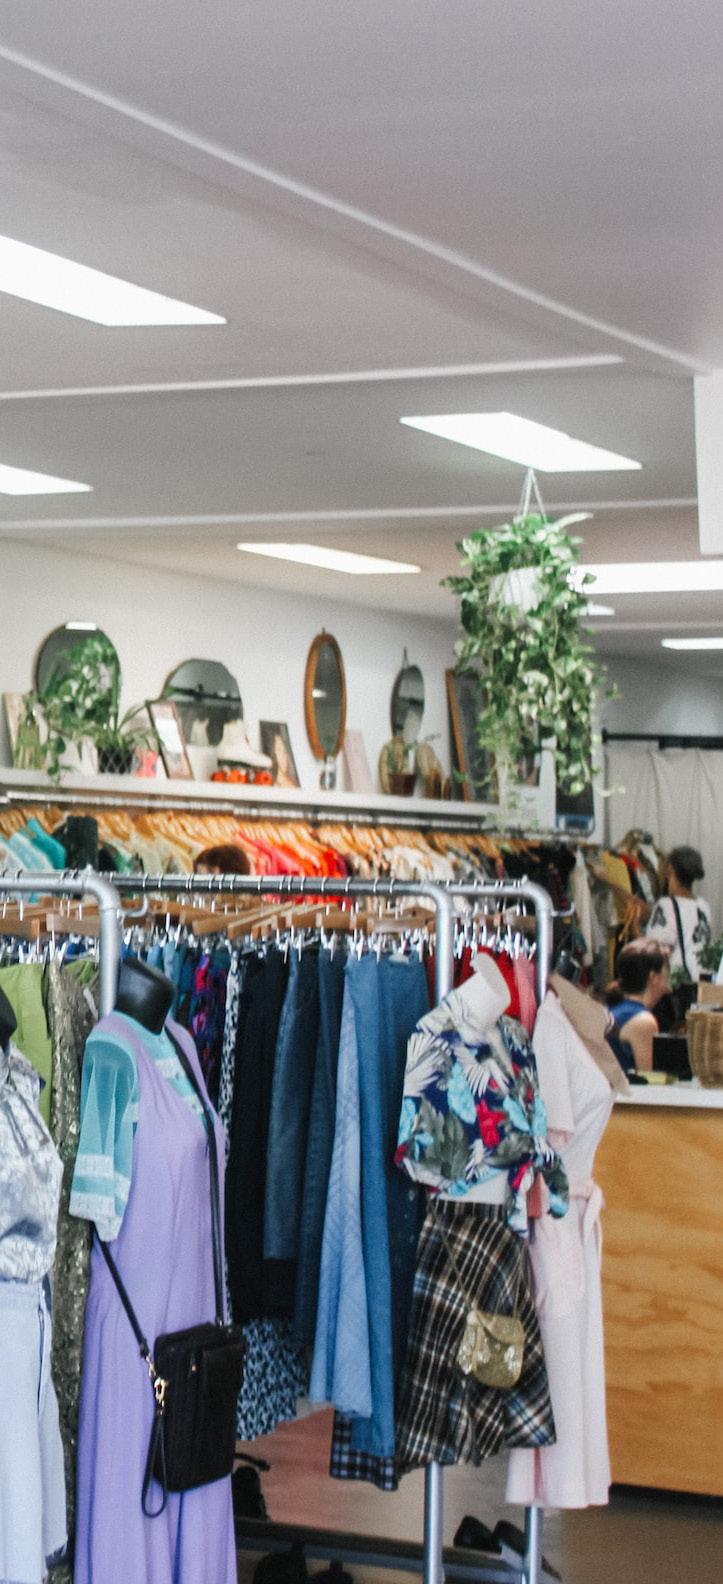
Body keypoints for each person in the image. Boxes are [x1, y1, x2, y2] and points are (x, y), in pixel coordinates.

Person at [605, 938, 671, 1073]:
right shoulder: (643, 1021)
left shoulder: (611, 1010)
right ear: (654, 977)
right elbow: (648, 1078)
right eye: (667, 972)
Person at [645, 845, 712, 978]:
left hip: (678, 980)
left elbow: (653, 949)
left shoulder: (666, 906)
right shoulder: (703, 906)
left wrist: (634, 928)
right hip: (703, 979)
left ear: (670, 869)